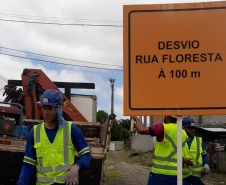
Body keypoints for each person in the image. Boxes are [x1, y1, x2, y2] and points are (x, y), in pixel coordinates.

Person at [17, 89, 91, 185]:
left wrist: (76, 167)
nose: (46, 112)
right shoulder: (35, 132)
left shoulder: (70, 129)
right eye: (44, 108)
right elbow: (28, 165)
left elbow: (86, 155)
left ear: (59, 109)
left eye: (50, 108)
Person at [130, 116, 188, 185]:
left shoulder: (162, 128)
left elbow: (141, 130)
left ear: (167, 117)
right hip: (177, 175)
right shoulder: (183, 133)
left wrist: (136, 118)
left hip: (160, 175)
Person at [182, 116, 210, 185]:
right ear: (183, 128)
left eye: (194, 128)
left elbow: (204, 155)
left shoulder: (199, 141)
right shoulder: (178, 141)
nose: (193, 130)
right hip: (183, 177)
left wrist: (206, 164)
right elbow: (174, 156)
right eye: (190, 128)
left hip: (198, 177)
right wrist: (183, 160)